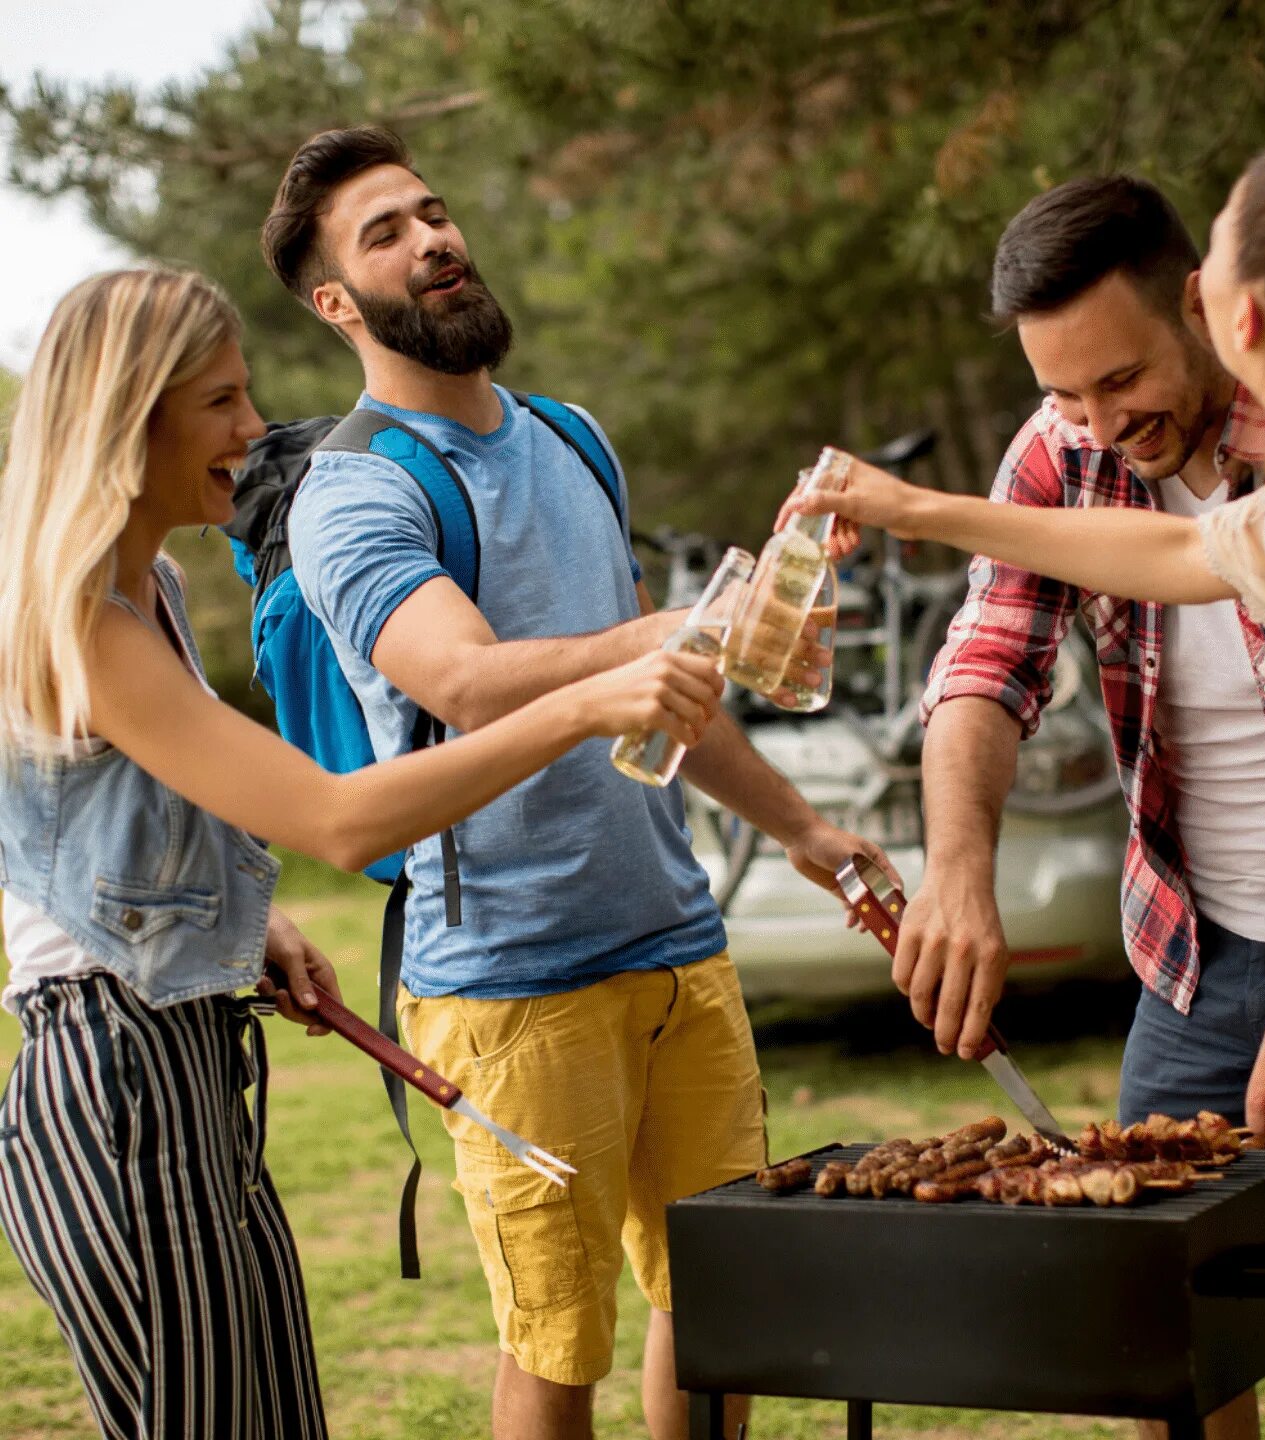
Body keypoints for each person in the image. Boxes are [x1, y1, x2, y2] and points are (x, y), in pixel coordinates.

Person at [0, 267, 726, 1440]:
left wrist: (249, 925)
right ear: (133, 420)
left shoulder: (156, 588)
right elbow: (341, 821)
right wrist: (589, 699)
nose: (255, 429)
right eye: (223, 402)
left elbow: (84, 825)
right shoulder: (74, 619)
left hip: (189, 1063)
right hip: (111, 1081)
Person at [787, 159, 1265, 1440]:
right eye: (1061, 392)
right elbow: (1002, 651)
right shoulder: (1074, 450)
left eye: (1121, 379)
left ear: (1209, 308)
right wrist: (957, 871)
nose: (1095, 418)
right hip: (1194, 957)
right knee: (1162, 1330)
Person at [260, 125, 890, 1440]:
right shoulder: (352, 493)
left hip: (677, 943)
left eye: (432, 212)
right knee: (558, 1347)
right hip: (508, 982)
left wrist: (805, 830)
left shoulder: (574, 437)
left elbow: (667, 689)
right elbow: (471, 679)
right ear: (334, 302)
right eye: (384, 233)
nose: (432, 238)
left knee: (725, 1308)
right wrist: (658, 636)